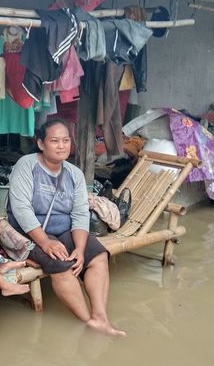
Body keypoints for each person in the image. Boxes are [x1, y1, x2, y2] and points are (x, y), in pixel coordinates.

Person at [7, 118, 126, 337]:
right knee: (61, 264)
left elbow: (80, 213)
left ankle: (100, 317)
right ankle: (87, 320)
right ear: (41, 143)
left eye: (65, 140)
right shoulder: (27, 165)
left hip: (65, 230)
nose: (61, 145)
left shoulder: (74, 173)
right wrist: (44, 241)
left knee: (98, 255)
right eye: (54, 140)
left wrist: (80, 249)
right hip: (31, 232)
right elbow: (21, 209)